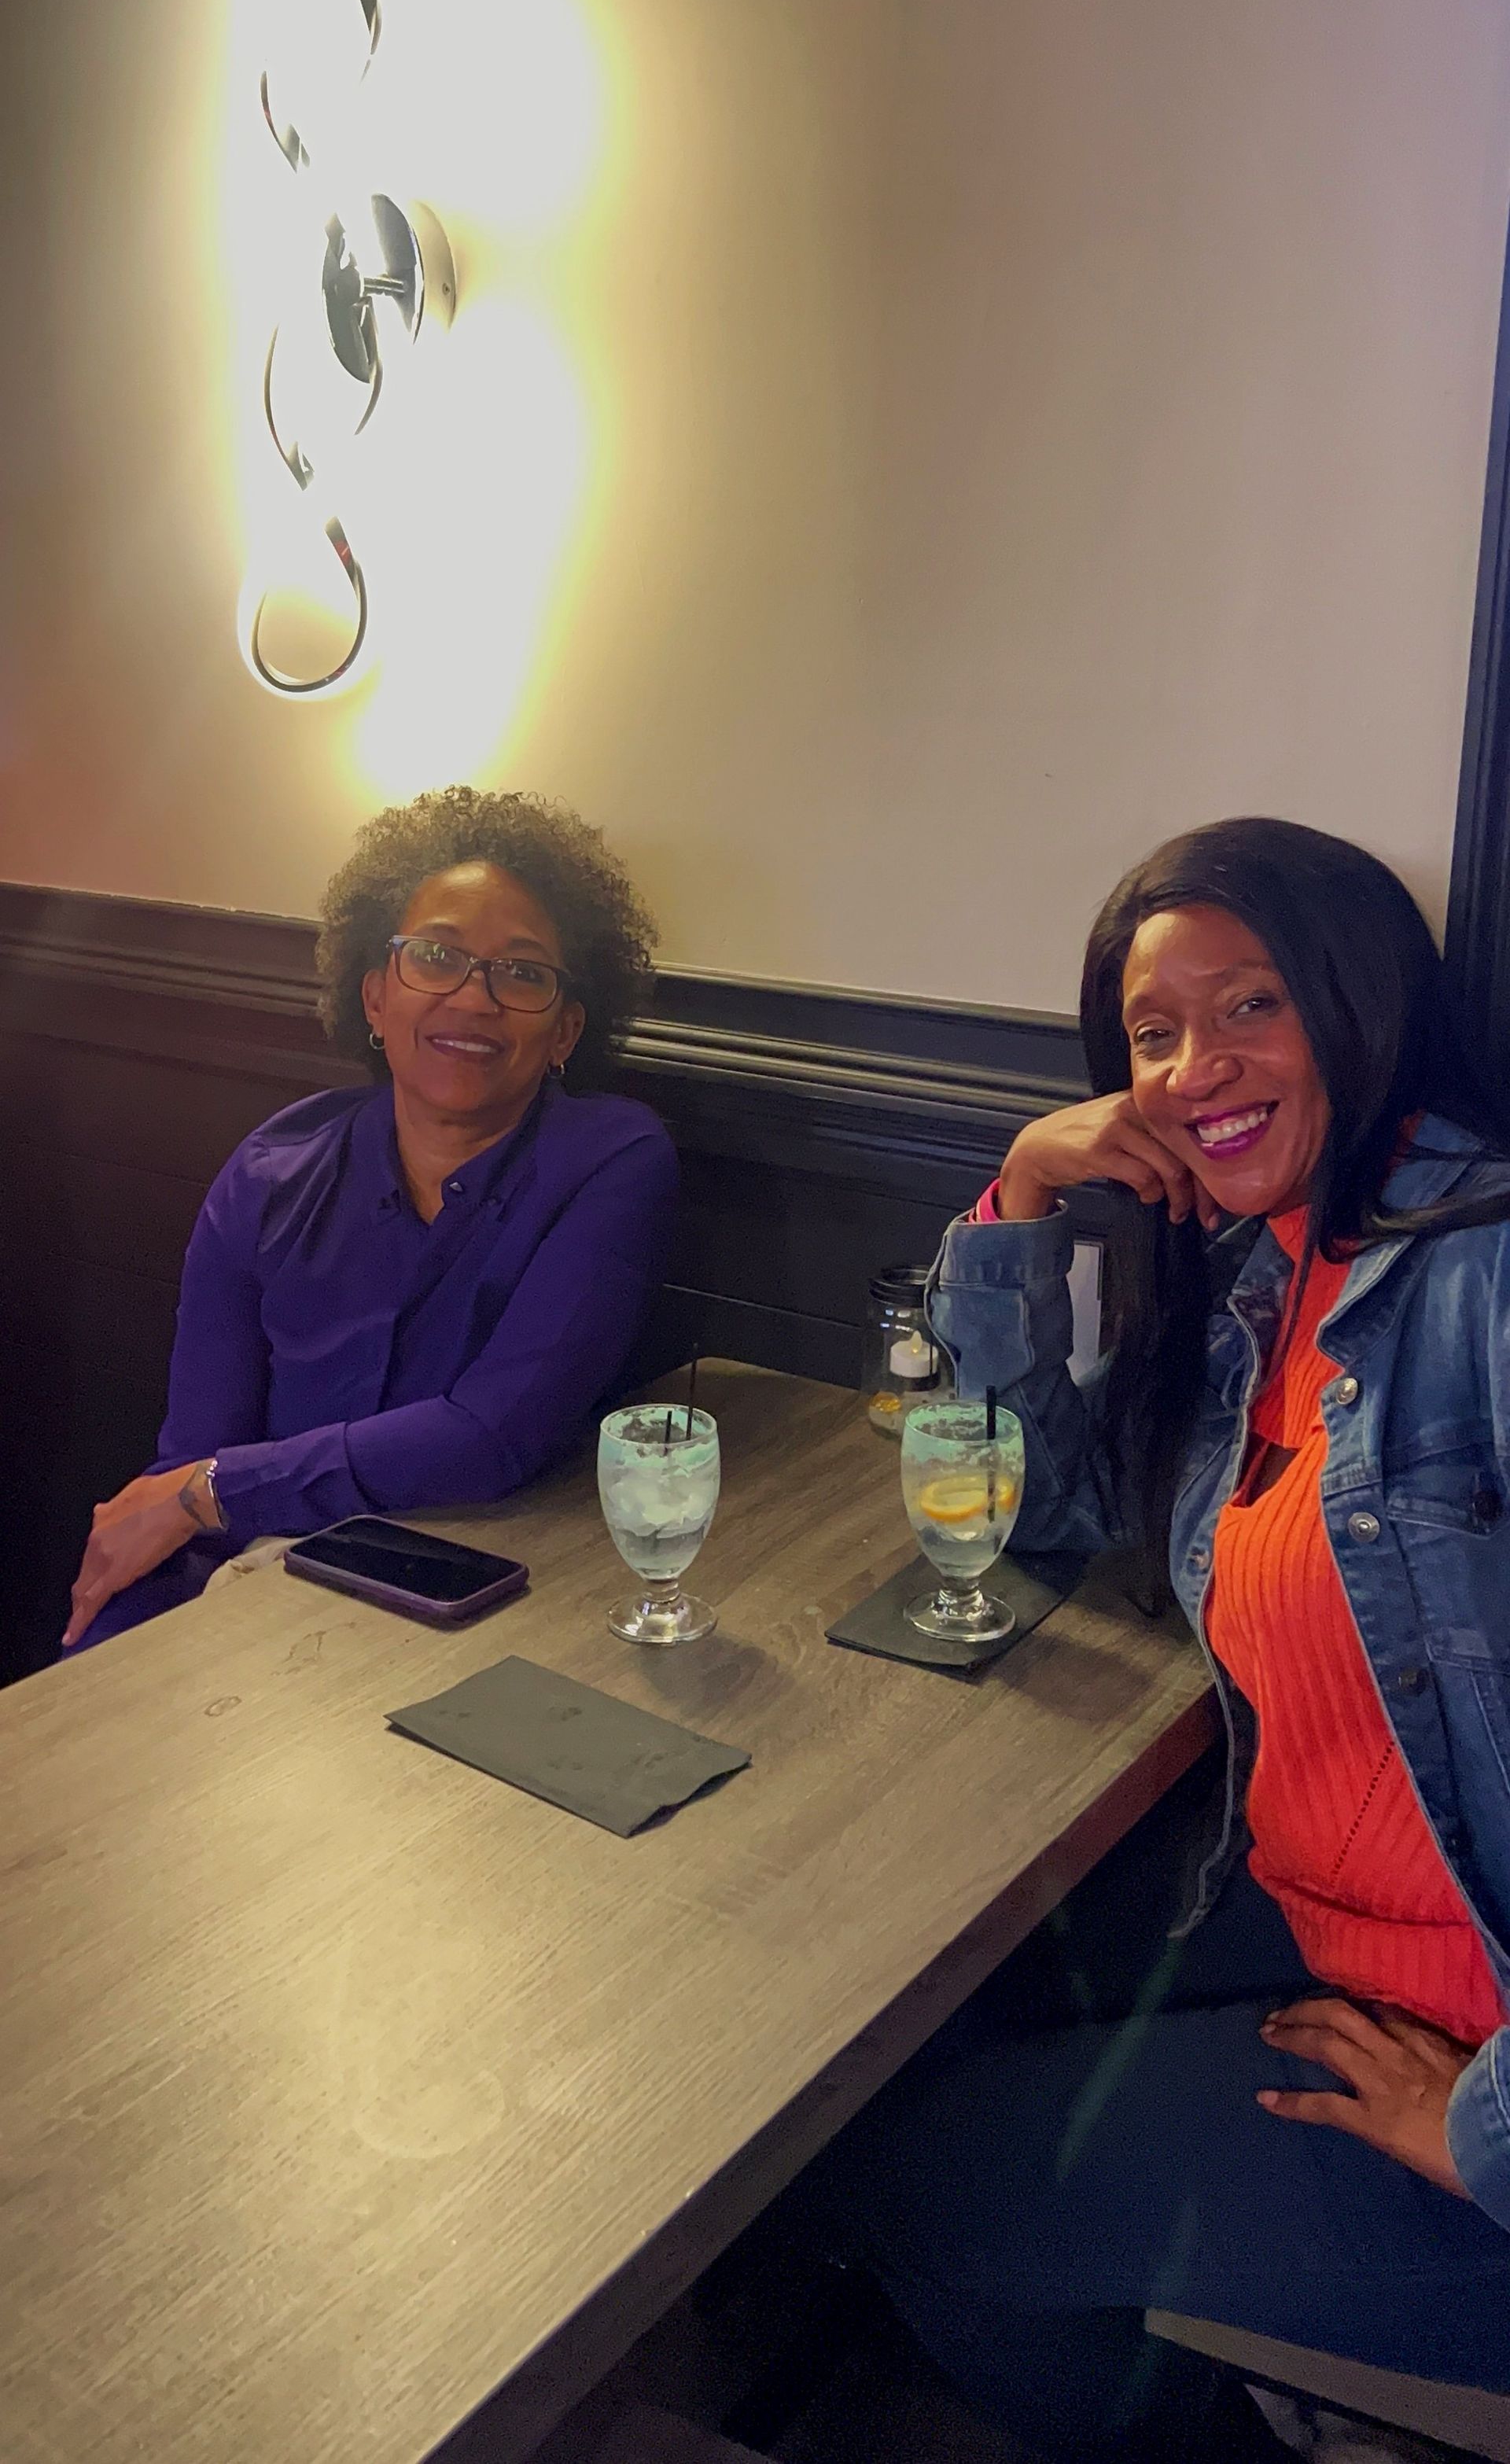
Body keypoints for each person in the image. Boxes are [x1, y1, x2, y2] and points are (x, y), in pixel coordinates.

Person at [811, 818, 1510, 2462]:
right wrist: (1027, 1195)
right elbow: (1028, 1504)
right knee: (908, 2029)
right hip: (1316, 1919)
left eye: (1254, 1002)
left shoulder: (1480, 1278)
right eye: (1155, 1029)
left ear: (1362, 1003)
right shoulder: (1270, 1271)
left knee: (904, 2190)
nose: (1201, 1064)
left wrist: (1479, 2124)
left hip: (1469, 2056)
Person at [63, 784, 679, 1650]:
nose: (473, 999)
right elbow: (190, 1458)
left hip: (476, 1605)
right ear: (376, 998)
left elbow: (492, 1434)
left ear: (567, 1030)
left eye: (523, 971)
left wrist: (218, 1488)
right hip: (249, 1586)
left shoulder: (611, 1161)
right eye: (437, 956)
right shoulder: (268, 1173)